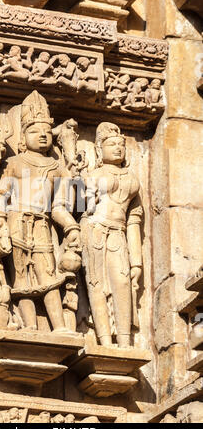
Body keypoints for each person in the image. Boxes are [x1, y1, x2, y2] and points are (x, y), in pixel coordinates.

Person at [0, 90, 81, 332]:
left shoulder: (57, 168)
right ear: (23, 137)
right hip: (16, 222)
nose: (42, 135)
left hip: (42, 225)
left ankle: (59, 326)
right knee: (21, 278)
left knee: (48, 275)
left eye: (46, 132)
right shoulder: (14, 164)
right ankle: (29, 325)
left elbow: (61, 206)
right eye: (33, 131)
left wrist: (71, 227)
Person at [81, 122, 143, 348]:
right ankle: (105, 341)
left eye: (121, 145)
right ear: (99, 149)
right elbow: (76, 207)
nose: (118, 148)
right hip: (95, 229)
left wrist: (137, 261)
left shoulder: (132, 178)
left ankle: (125, 341)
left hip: (119, 232)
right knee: (96, 284)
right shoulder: (91, 174)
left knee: (122, 283)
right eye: (111, 144)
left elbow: (134, 220)